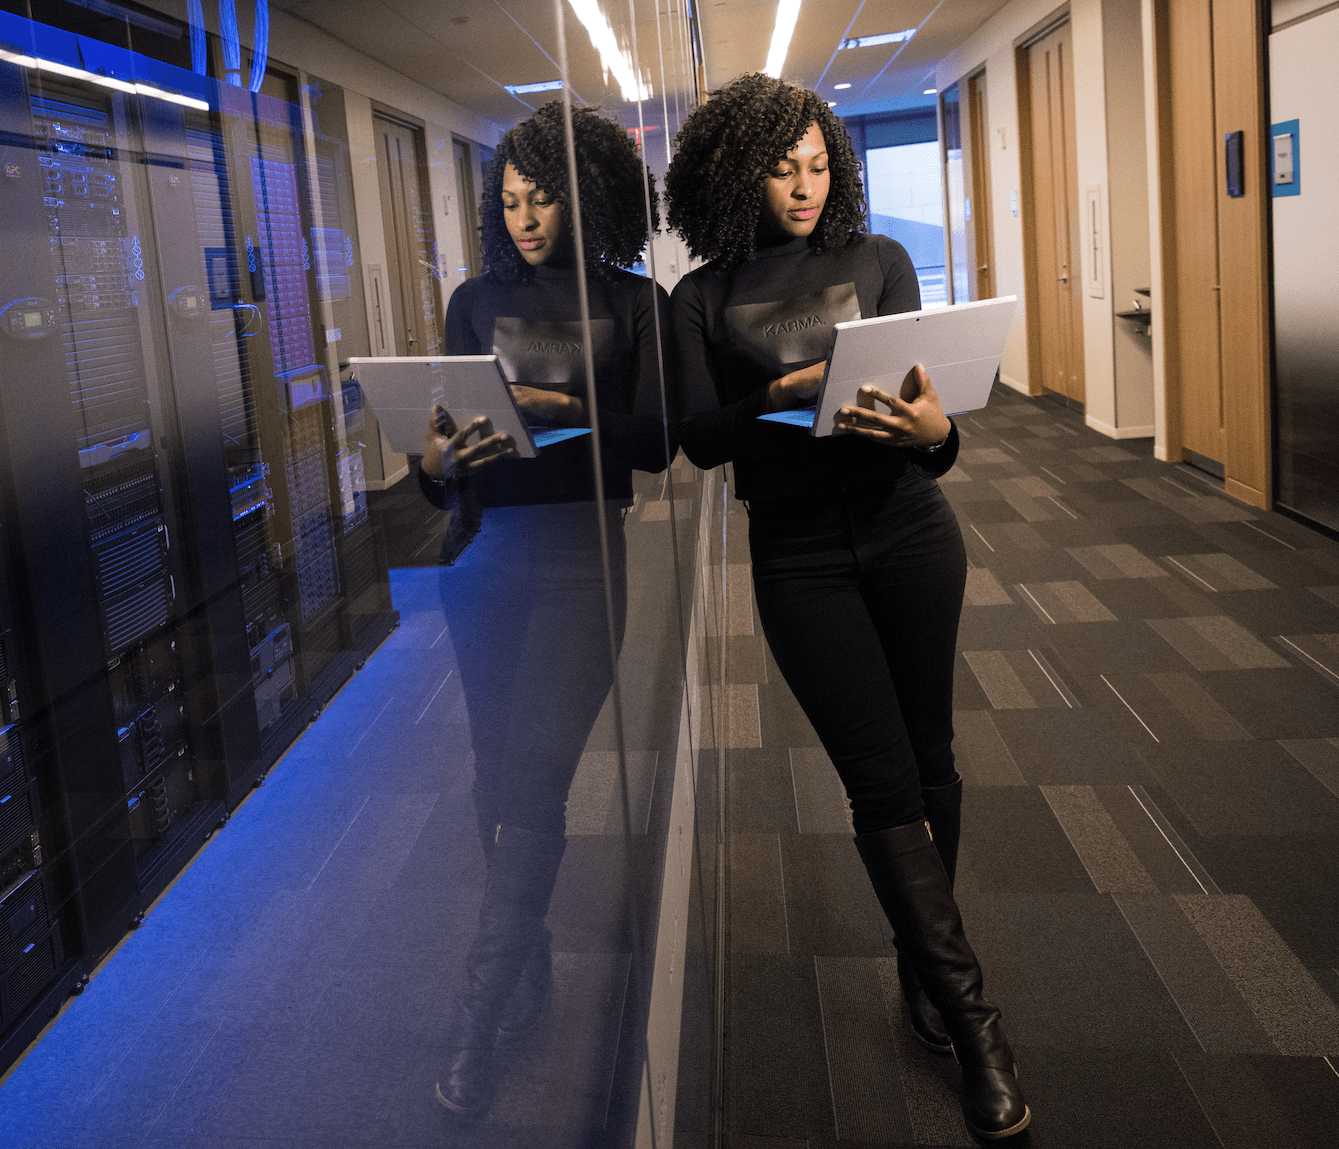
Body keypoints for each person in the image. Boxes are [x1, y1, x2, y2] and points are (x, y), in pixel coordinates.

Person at [663, 72, 1029, 1140]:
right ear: (737, 173)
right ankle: (975, 1027)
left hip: (909, 527)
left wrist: (936, 435)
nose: (806, 186)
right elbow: (696, 435)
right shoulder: (701, 296)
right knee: (878, 784)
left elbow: (934, 423)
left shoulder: (879, 261)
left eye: (820, 165)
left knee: (932, 757)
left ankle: (923, 964)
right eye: (782, 168)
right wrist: (777, 394)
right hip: (798, 554)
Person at [415, 101, 677, 1116]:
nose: (526, 217)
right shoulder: (472, 299)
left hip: (582, 563)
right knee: (495, 778)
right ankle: (528, 969)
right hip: (485, 559)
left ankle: (476, 1019)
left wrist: (573, 411)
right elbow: (438, 470)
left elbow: (659, 443)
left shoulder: (629, 300)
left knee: (530, 776)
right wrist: (436, 461)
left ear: (586, 193)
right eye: (511, 200)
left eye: (544, 197)